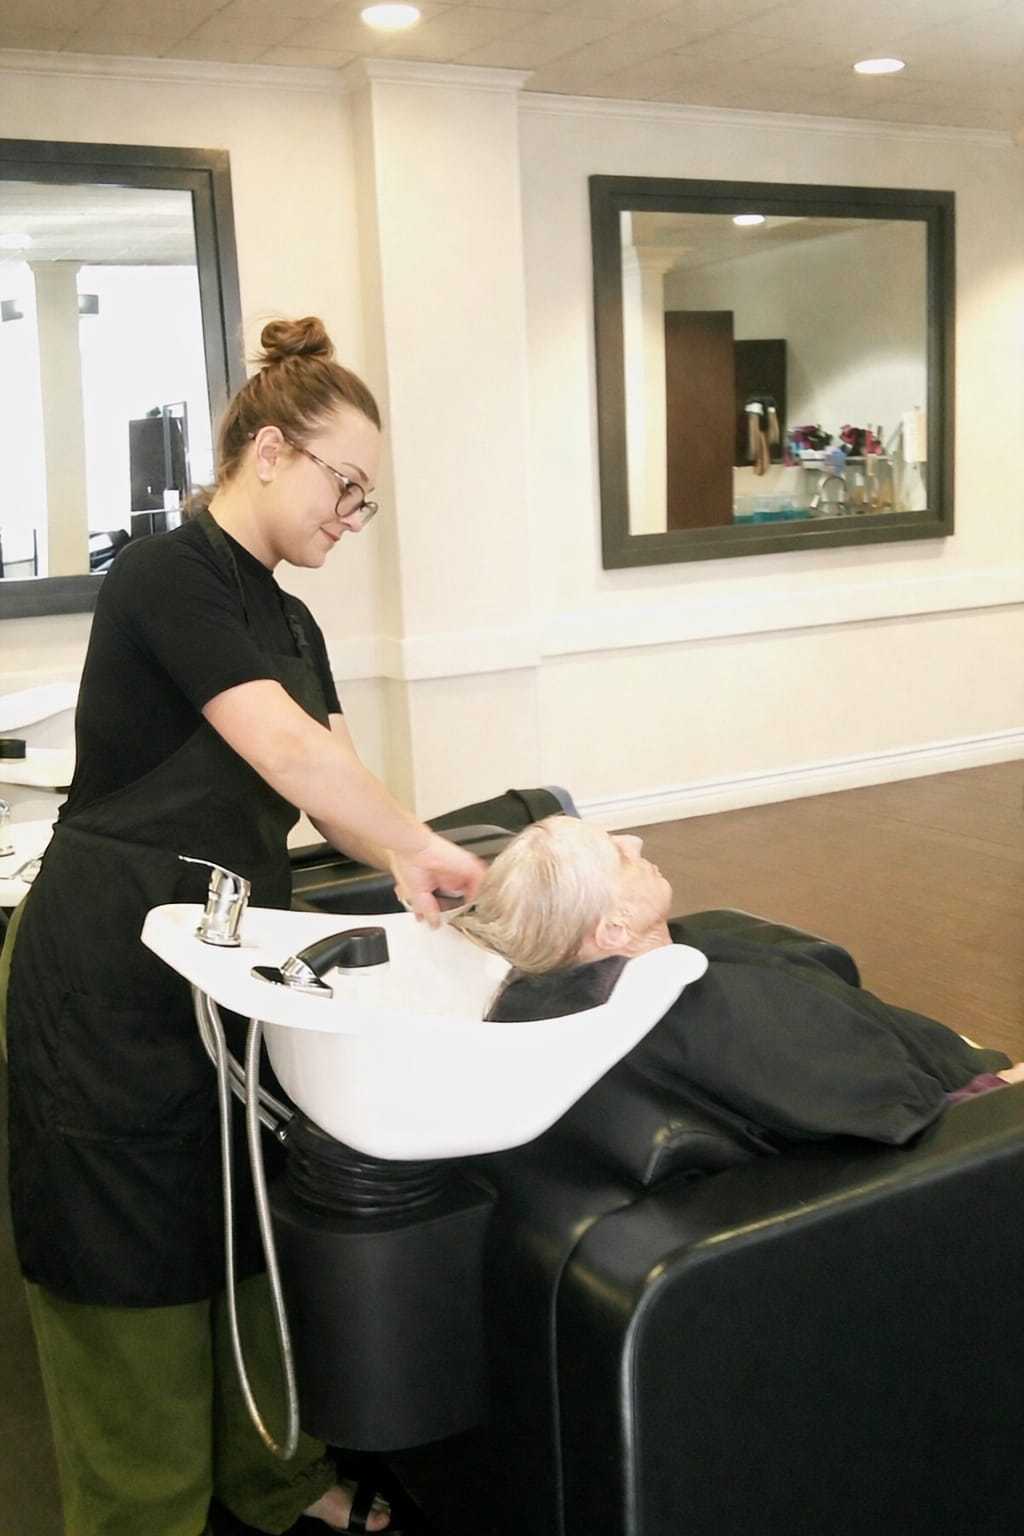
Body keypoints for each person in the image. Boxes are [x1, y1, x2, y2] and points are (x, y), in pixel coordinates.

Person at [0, 317, 485, 1536]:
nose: (350, 518)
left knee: (237, 1213)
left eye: (366, 502)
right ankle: (142, 1514)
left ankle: (268, 1477)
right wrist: (421, 848)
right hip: (106, 967)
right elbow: (273, 746)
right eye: (345, 486)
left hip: (229, 956)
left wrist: (422, 874)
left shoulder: (292, 619)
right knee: (124, 1265)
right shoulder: (166, 574)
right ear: (270, 451)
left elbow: (335, 769)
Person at [452, 817, 1023, 1144]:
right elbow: (921, 1121)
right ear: (614, 927)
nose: (635, 842)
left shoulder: (566, 996)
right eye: (616, 856)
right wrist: (993, 1087)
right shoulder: (720, 1018)